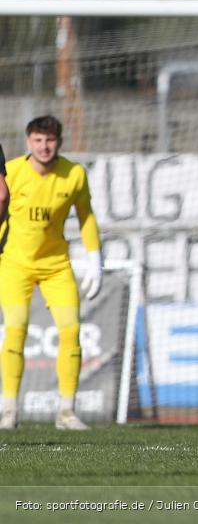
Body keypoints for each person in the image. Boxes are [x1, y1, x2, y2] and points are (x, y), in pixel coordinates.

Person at [0, 116, 103, 431]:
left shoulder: (73, 174)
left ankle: (67, 412)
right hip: (15, 264)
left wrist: (95, 258)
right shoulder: (13, 172)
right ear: (28, 142)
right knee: (15, 330)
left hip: (56, 266)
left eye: (50, 140)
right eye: (38, 140)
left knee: (71, 331)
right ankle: (9, 410)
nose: (44, 147)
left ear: (59, 141)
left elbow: (86, 216)